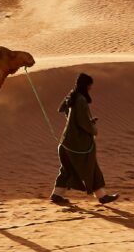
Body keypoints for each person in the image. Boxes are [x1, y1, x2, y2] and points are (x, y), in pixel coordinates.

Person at [51, 72, 119, 206]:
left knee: (67, 167)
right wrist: (93, 127)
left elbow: (62, 109)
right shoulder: (80, 99)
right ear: (86, 86)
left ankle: (57, 194)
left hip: (66, 141)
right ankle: (102, 195)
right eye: (89, 86)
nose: (90, 89)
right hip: (78, 144)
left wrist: (75, 117)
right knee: (91, 165)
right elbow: (83, 122)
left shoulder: (72, 96)